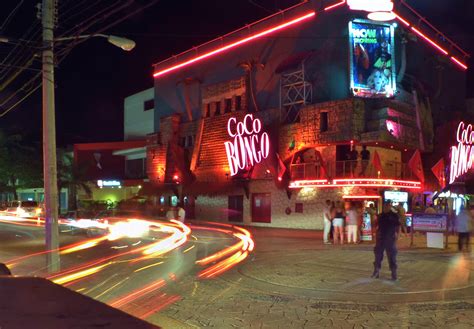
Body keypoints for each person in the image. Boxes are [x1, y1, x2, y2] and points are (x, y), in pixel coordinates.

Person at [372, 201, 400, 280]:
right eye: (385, 206)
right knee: (378, 256)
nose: (386, 207)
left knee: (392, 257)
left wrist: (397, 235)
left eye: (388, 206)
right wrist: (375, 234)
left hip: (390, 238)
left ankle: (393, 273)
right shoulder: (381, 216)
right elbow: (375, 225)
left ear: (390, 206)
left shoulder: (394, 216)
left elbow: (398, 226)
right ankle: (376, 271)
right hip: (381, 238)